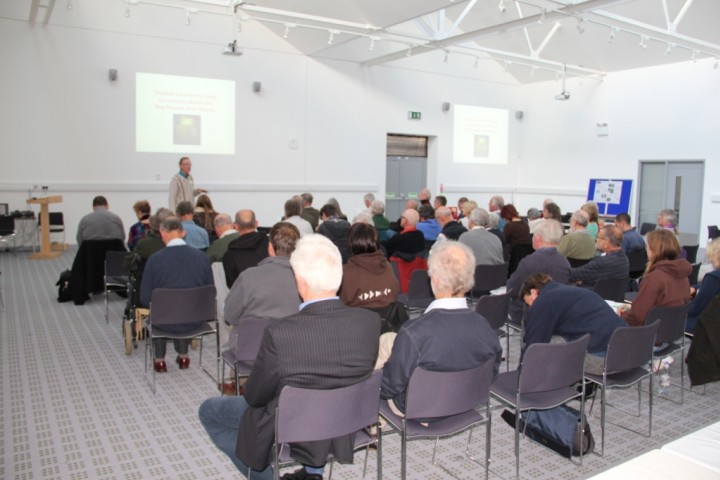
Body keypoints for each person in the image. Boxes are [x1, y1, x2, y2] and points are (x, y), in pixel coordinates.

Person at [198, 234, 381, 480]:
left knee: (209, 410)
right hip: (345, 418)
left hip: (292, 422)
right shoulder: (369, 322)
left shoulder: (281, 332)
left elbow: (255, 396)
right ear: (339, 276)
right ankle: (312, 471)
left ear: (299, 281)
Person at [379, 241, 503, 413]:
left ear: (435, 280)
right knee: (389, 340)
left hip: (418, 407)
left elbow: (389, 387)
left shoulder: (413, 332)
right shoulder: (485, 327)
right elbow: (492, 374)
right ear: (469, 280)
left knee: (385, 346)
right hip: (467, 402)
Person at [140, 217, 213, 372]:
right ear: (183, 232)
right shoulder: (202, 258)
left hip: (163, 322)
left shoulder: (154, 260)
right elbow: (210, 292)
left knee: (160, 310)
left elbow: (145, 299)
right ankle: (184, 357)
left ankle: (159, 361)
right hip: (195, 320)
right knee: (183, 308)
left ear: (162, 233)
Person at [520, 273, 627, 375]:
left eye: (529, 302)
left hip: (605, 362)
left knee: (549, 349)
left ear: (533, 292)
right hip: (631, 353)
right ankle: (584, 387)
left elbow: (533, 344)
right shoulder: (573, 292)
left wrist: (520, 376)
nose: (531, 307)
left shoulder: (544, 300)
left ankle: (556, 388)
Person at [619, 229, 692, 327]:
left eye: (647, 247)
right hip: (672, 329)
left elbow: (637, 316)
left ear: (653, 250)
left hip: (650, 332)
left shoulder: (654, 278)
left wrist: (622, 314)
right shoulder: (683, 274)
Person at [507, 219, 571, 323]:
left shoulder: (529, 262)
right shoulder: (565, 262)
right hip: (556, 312)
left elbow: (512, 290)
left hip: (528, 312)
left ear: (537, 237)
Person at [339, 223, 399, 309]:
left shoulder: (345, 273)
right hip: (388, 320)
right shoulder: (388, 266)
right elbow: (395, 293)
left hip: (358, 320)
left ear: (350, 243)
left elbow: (342, 303)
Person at [222, 209, 269, 288]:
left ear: (235, 226)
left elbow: (232, 286)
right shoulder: (271, 244)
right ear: (256, 224)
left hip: (246, 298)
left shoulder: (229, 255)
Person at [687, 238, 720, 334]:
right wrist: (697, 288)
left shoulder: (713, 278)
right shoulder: (713, 278)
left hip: (704, 326)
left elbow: (695, 309)